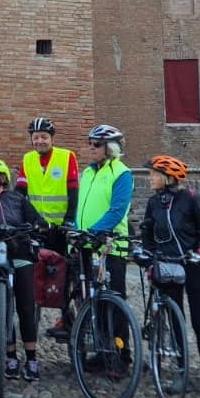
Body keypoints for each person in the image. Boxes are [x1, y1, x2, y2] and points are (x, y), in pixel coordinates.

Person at [138, 155, 200, 398]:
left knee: (199, 324)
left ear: (167, 177)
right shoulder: (154, 203)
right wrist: (146, 253)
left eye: (153, 173)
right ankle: (181, 370)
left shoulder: (191, 199)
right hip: (167, 266)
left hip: (192, 266)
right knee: (175, 322)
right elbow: (148, 232)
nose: (149, 178)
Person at [0, 158, 49, 381]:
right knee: (2, 308)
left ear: (2, 178)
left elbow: (36, 219)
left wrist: (40, 225)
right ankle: (11, 356)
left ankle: (32, 358)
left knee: (26, 307)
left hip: (21, 255)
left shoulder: (17, 199)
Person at [19, 117, 79, 337]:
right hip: (36, 227)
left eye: (44, 137)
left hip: (60, 228)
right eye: (36, 138)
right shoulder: (28, 159)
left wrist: (69, 220)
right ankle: (31, 315)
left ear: (51, 138)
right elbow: (21, 191)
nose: (40, 141)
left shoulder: (66, 157)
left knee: (63, 274)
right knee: (33, 271)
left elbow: (73, 191)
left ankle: (67, 318)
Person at [73, 124, 134, 301]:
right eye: (90, 143)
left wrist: (95, 230)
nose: (91, 147)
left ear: (110, 148)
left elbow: (117, 210)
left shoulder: (121, 173)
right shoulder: (87, 173)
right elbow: (81, 208)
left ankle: (119, 330)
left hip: (110, 246)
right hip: (86, 243)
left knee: (114, 301)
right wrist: (76, 230)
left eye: (97, 144)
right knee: (88, 299)